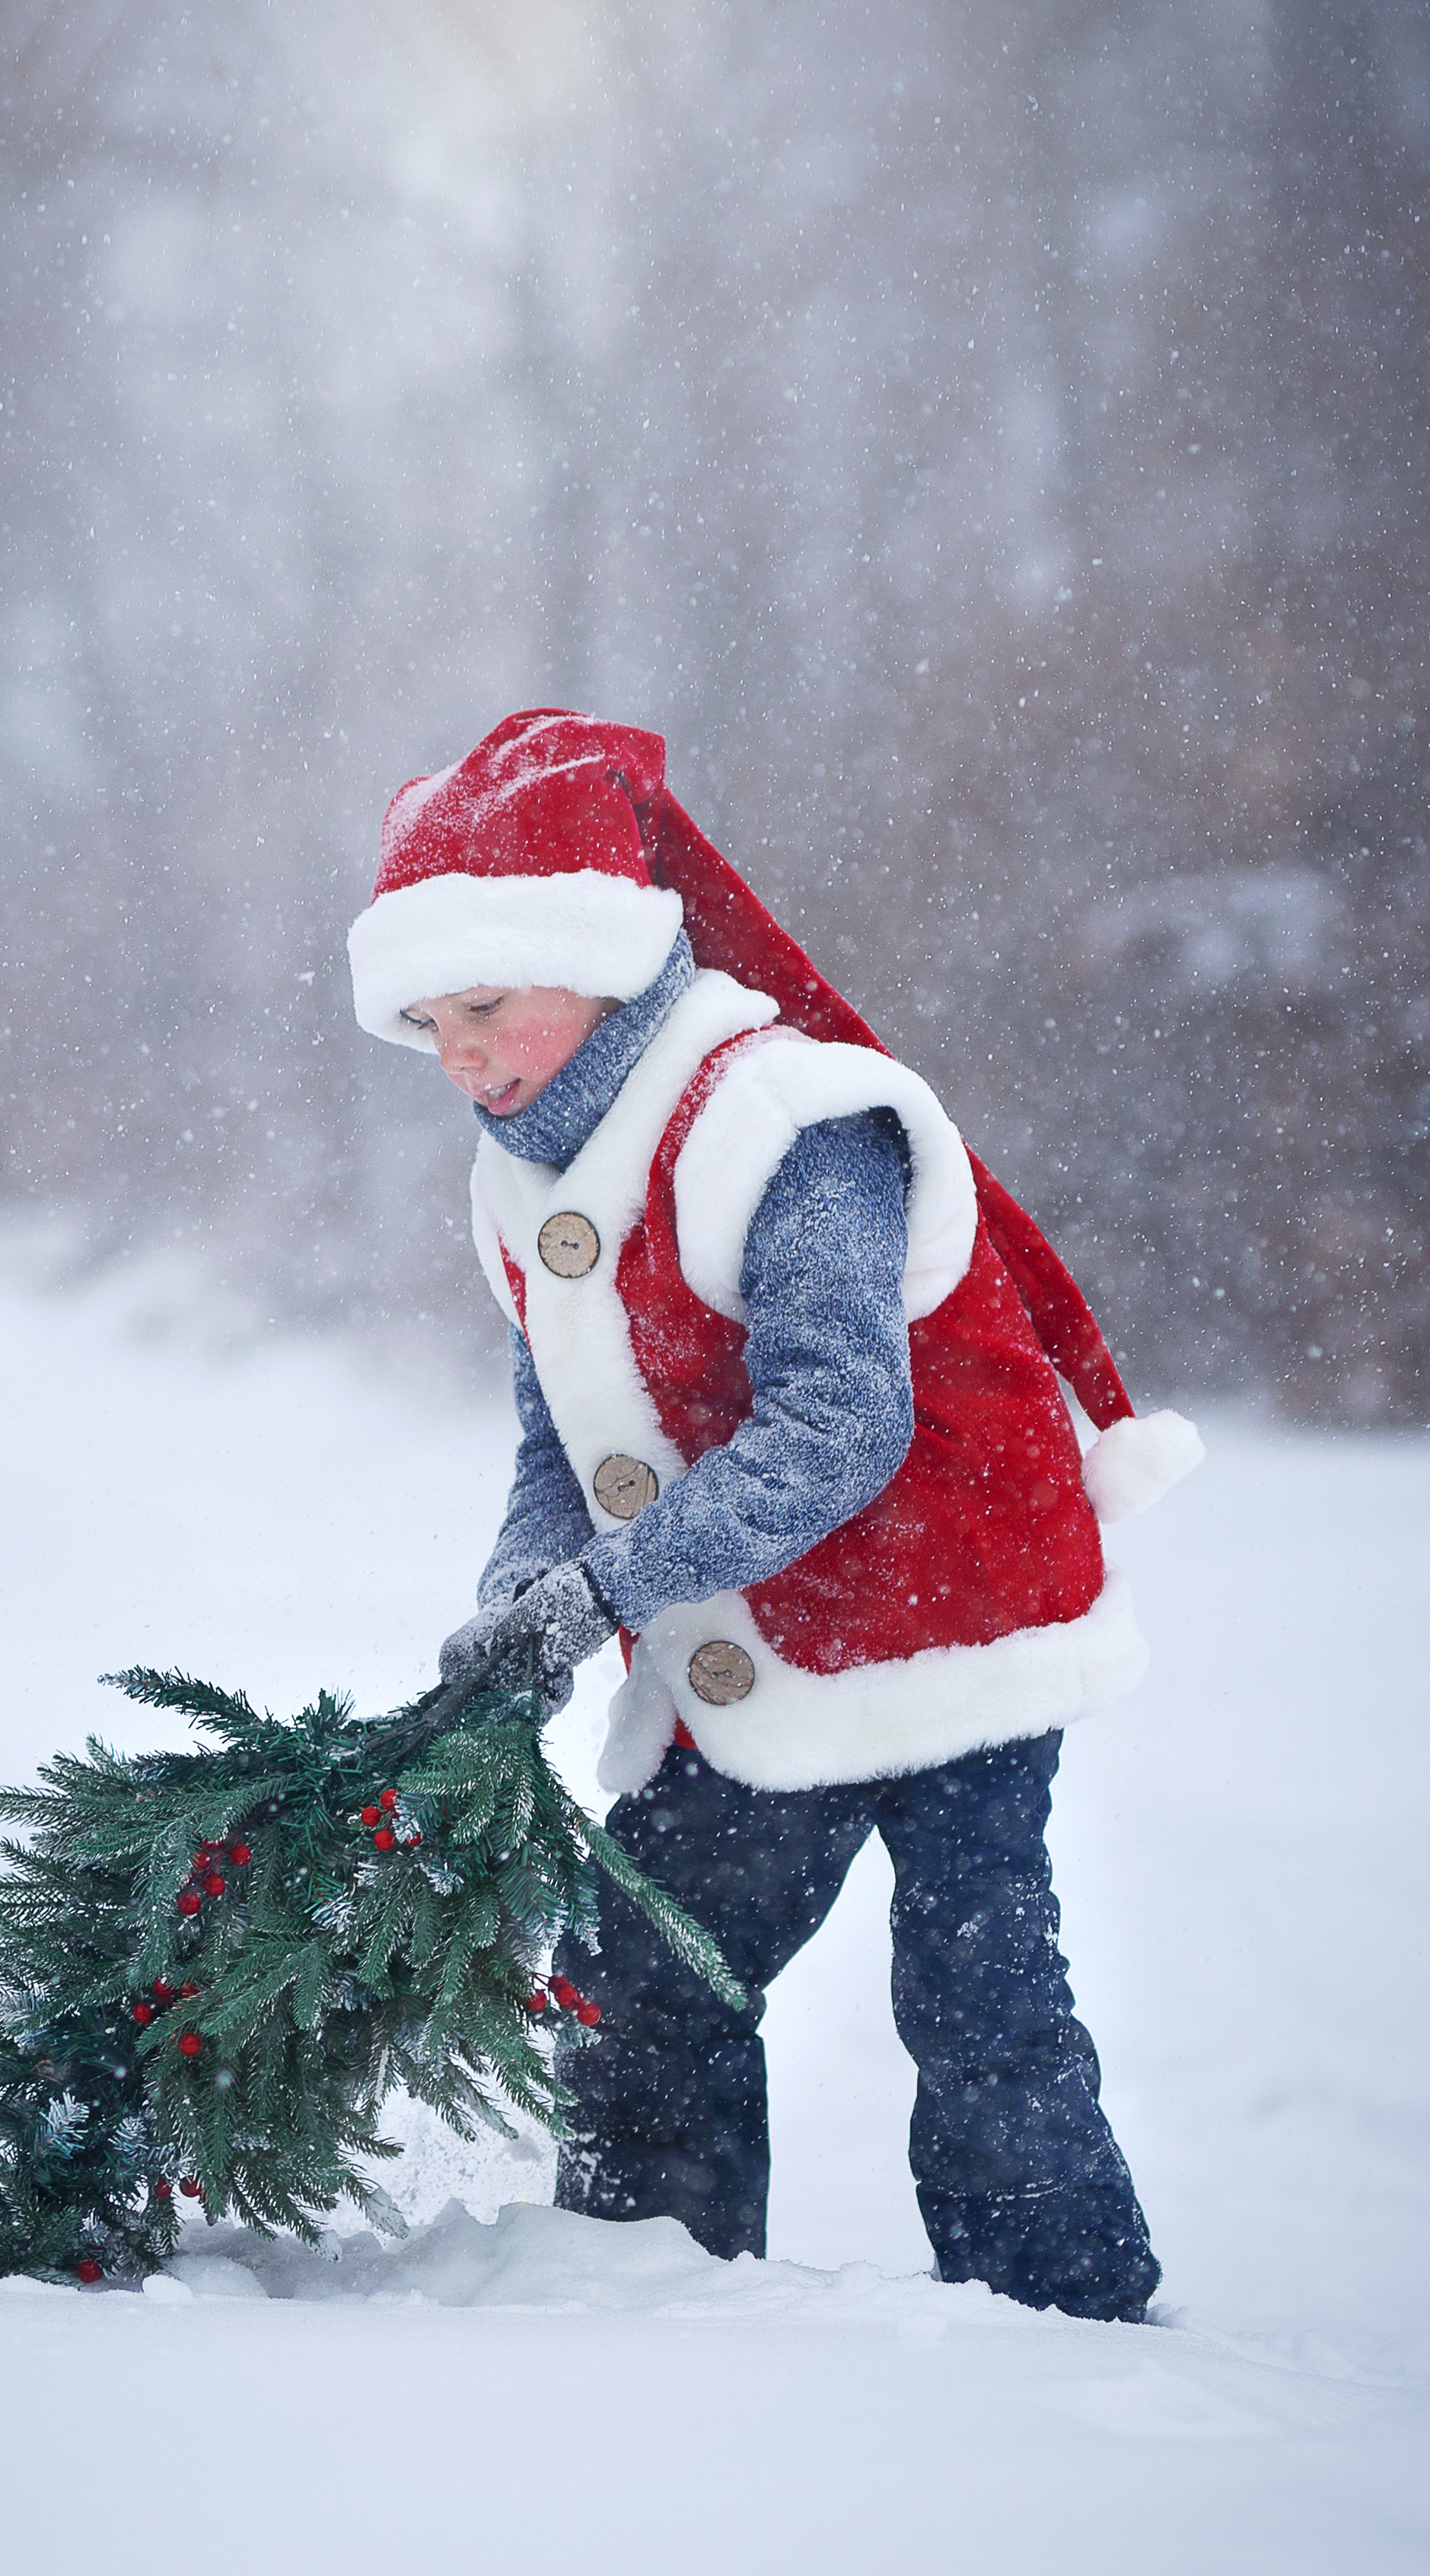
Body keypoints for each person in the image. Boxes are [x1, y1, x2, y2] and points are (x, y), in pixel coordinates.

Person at [346, 708, 1202, 2320]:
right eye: (427, 1022)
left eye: (485, 1005)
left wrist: (607, 1593)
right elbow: (560, 1430)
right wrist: (527, 1585)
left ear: (596, 961)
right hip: (761, 1644)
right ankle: (643, 2294)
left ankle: (1066, 2316)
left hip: (958, 1613)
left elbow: (839, 1428)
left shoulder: (786, 1125)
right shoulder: (523, 1176)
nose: (456, 1054)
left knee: (978, 1997)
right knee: (639, 1977)